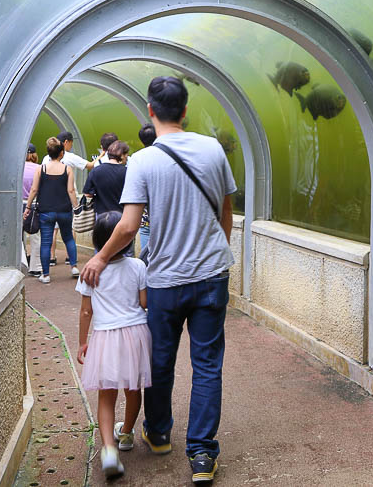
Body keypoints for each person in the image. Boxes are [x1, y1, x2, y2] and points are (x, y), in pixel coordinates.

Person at [81, 77, 236, 484]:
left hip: (165, 279)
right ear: (185, 110)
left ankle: (160, 431)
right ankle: (202, 454)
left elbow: (129, 226)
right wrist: (214, 254)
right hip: (211, 276)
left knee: (160, 360)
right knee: (206, 363)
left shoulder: (145, 160)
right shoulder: (214, 150)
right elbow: (226, 215)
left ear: (151, 111)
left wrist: (99, 256)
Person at [76, 211, 152, 480]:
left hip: (105, 336)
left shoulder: (90, 269)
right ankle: (128, 433)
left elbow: (86, 312)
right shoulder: (138, 267)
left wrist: (83, 342)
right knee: (133, 388)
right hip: (135, 333)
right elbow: (144, 303)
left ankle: (109, 450)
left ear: (96, 239)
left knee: (106, 395)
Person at [24, 137, 79, 282]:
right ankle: (74, 266)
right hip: (64, 210)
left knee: (46, 242)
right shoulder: (67, 169)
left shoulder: (40, 169)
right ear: (61, 153)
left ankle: (46, 275)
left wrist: (28, 207)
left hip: (46, 210)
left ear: (48, 153)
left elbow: (34, 189)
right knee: (68, 238)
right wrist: (76, 207)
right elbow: (71, 191)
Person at [42, 131, 94, 268]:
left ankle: (51, 258)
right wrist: (76, 206)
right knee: (70, 231)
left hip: (50, 200)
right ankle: (71, 260)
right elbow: (89, 165)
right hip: (66, 201)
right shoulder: (69, 158)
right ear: (65, 143)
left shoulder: (45, 160)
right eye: (71, 143)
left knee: (52, 231)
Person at [83, 140, 133, 255]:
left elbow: (87, 194)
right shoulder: (127, 172)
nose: (127, 157)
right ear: (121, 155)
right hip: (123, 216)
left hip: (101, 216)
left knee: (101, 247)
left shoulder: (96, 171)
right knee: (125, 249)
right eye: (126, 154)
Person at [136, 122, 156, 262]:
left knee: (146, 256)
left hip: (144, 215)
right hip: (161, 215)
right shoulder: (165, 156)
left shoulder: (137, 158)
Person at [22, 143, 41, 276]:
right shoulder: (40, 168)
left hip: (18, 204)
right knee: (36, 237)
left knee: (19, 237)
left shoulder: (17, 168)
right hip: (35, 205)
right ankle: (35, 267)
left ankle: (21, 263)